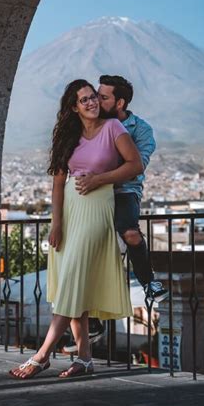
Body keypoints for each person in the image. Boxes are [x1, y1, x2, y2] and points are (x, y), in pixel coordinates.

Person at [9, 79, 143, 380]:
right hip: (70, 213)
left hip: (97, 211)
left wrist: (100, 179)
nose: (92, 102)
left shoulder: (113, 130)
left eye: (93, 96)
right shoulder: (68, 137)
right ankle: (84, 358)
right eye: (84, 100)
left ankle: (42, 356)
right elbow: (58, 184)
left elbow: (135, 165)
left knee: (71, 282)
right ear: (74, 107)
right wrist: (56, 224)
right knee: (76, 283)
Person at [65, 75, 168, 352]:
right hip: (94, 196)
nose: (97, 100)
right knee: (95, 253)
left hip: (123, 192)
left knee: (130, 232)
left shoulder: (139, 129)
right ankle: (94, 318)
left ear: (120, 102)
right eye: (94, 95)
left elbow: (137, 165)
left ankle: (149, 281)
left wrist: (101, 173)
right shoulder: (91, 124)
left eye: (104, 97)